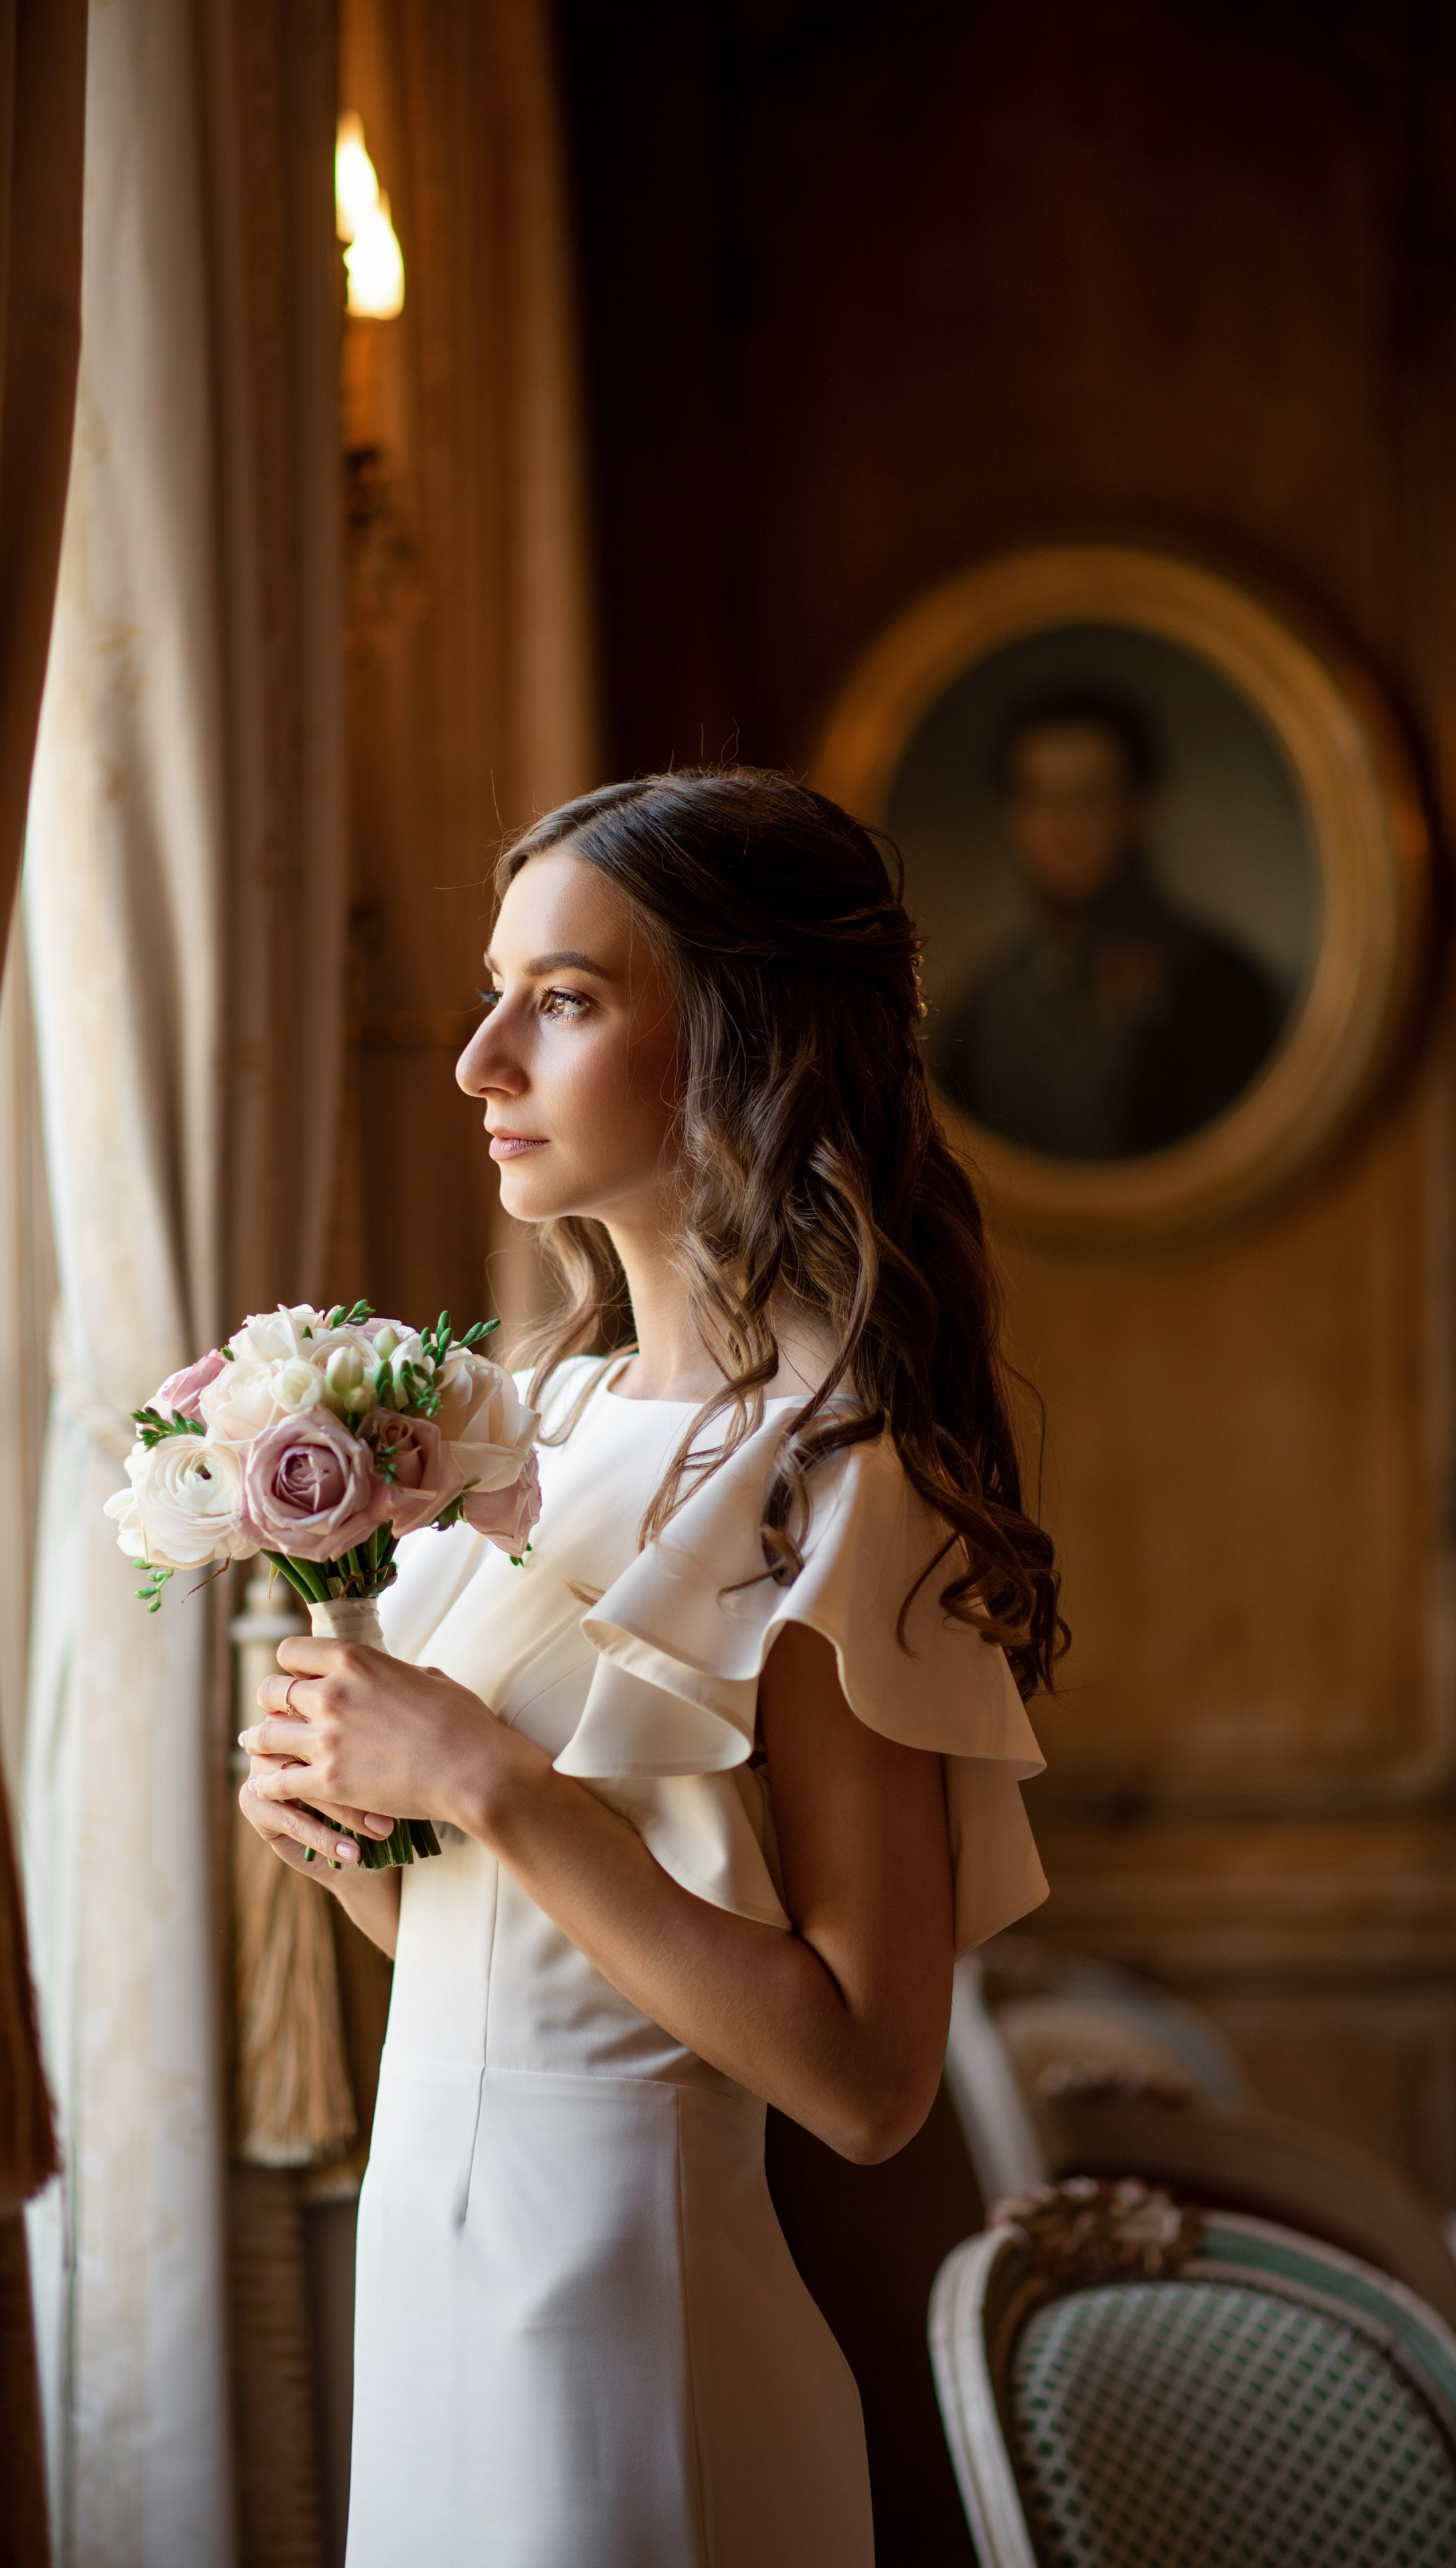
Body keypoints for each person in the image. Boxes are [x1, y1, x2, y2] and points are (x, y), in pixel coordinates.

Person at [238, 770, 1061, 2568]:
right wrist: (356, 1831)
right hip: (432, 2280)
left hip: (636, 2328)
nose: (478, 1061)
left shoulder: (842, 1478)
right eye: (492, 988)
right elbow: (517, 1946)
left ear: (740, 1041)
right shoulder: (522, 1432)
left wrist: (482, 1778)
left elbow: (863, 2079)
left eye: (566, 997)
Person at [931, 688, 1283, 1159]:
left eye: (1088, 798)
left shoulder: (1220, 988)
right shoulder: (984, 1008)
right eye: (1041, 798)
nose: (1062, 826)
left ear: (1137, 808)